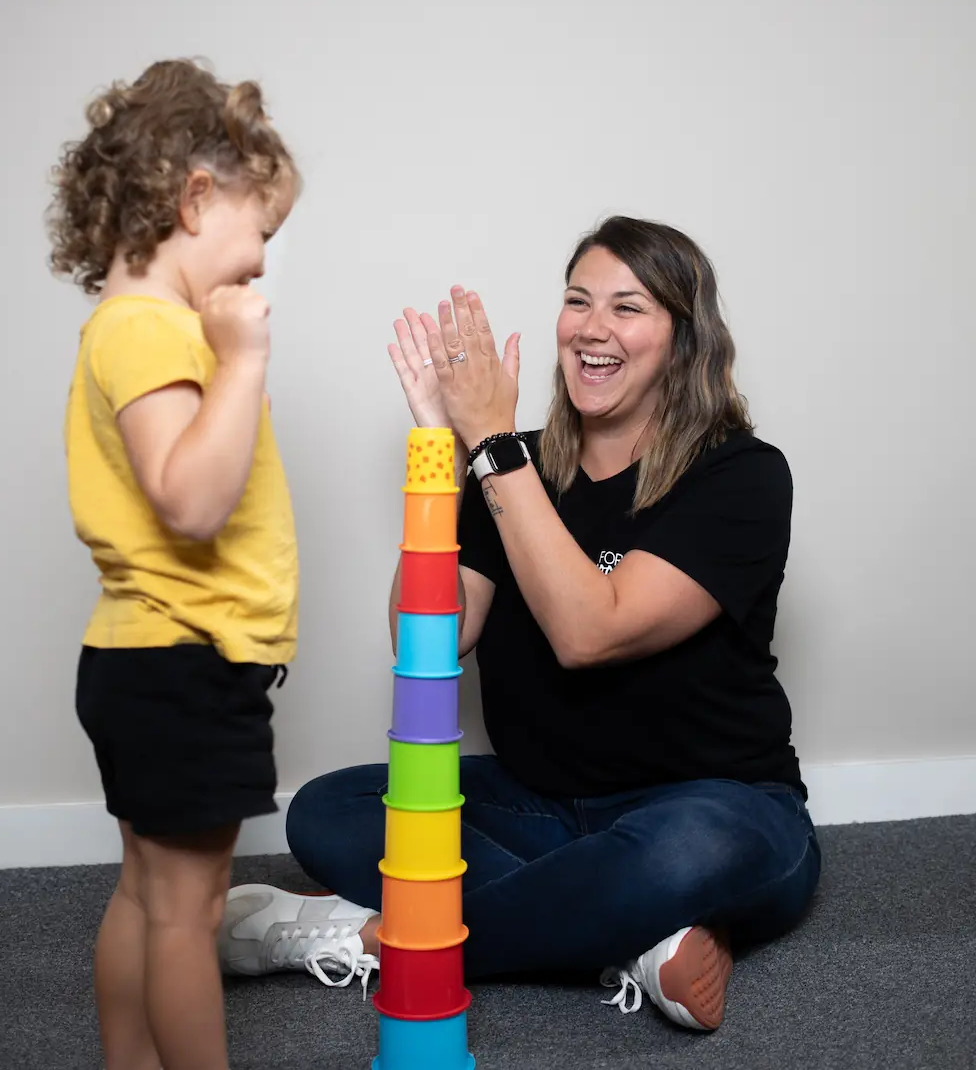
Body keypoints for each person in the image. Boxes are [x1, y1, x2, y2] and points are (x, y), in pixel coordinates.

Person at [219, 216, 821, 1032]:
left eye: (628, 307)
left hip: (715, 803)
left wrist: (492, 447)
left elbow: (589, 633)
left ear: (683, 340)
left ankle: (372, 937)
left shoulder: (741, 476)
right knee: (328, 809)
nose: (593, 328)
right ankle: (633, 938)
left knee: (678, 857)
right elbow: (425, 638)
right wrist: (440, 444)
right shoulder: (514, 465)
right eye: (578, 302)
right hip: (541, 803)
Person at [51, 59, 299, 1070]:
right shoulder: (153, 332)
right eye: (258, 242)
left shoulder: (128, 327)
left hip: (142, 657)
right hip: (184, 660)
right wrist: (241, 363)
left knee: (149, 896)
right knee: (187, 914)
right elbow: (190, 500)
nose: (258, 272)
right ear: (195, 200)